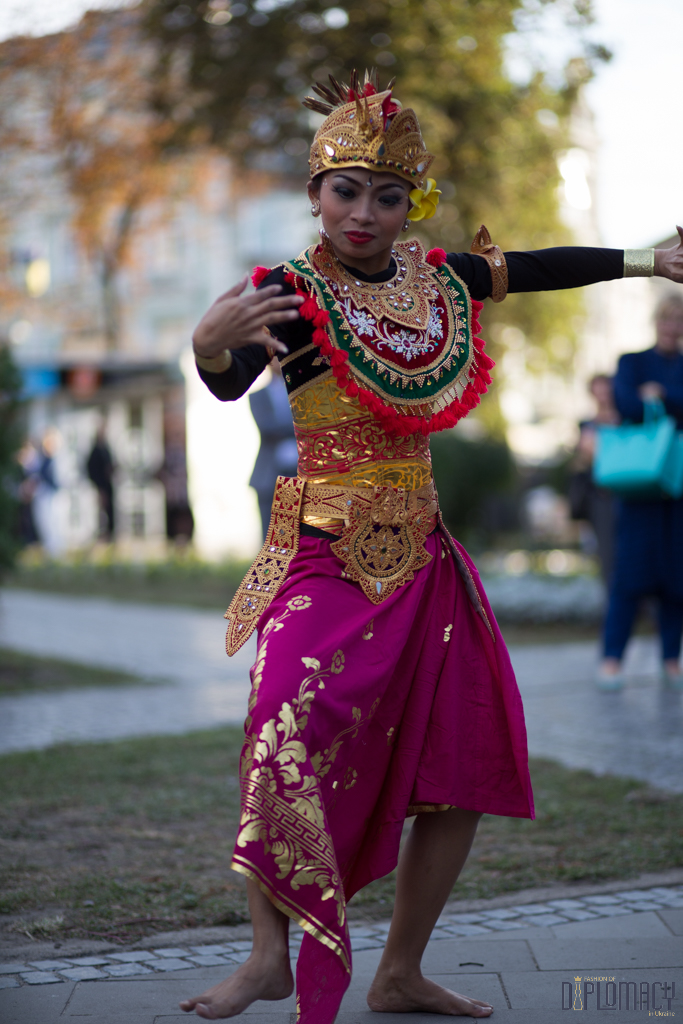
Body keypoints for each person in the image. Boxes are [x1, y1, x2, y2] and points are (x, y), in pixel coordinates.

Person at [182, 72, 683, 1022]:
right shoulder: (285, 291)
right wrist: (209, 347)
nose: (364, 212)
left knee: (462, 761)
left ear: (409, 204)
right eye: (346, 191)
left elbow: (532, 268)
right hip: (321, 554)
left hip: (423, 559)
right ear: (314, 192)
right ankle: (265, 957)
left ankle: (401, 970)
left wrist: (643, 259)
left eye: (386, 195)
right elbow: (226, 376)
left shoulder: (435, 280)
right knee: (279, 728)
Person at [598, 294, 683, 691]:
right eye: (667, 319)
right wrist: (660, 402)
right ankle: (612, 661)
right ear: (656, 321)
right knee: (629, 576)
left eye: (678, 320)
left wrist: (662, 395)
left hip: (678, 486)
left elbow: (652, 401)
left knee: (677, 577)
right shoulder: (632, 361)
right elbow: (625, 401)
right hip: (638, 489)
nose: (672, 326)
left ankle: (671, 660)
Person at [569, 374, 619, 585]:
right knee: (607, 553)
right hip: (601, 497)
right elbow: (581, 462)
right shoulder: (587, 425)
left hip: (623, 494)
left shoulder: (626, 419)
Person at [249, 360, 298, 540]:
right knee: (269, 538)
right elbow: (266, 428)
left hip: (300, 472)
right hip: (268, 476)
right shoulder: (257, 396)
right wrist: (295, 427)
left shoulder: (302, 392)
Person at [86, 423, 115, 541]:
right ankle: (101, 534)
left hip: (108, 485)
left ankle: (109, 534)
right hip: (100, 486)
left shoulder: (106, 448)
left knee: (109, 511)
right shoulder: (95, 451)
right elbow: (92, 469)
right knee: (101, 512)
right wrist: (98, 486)